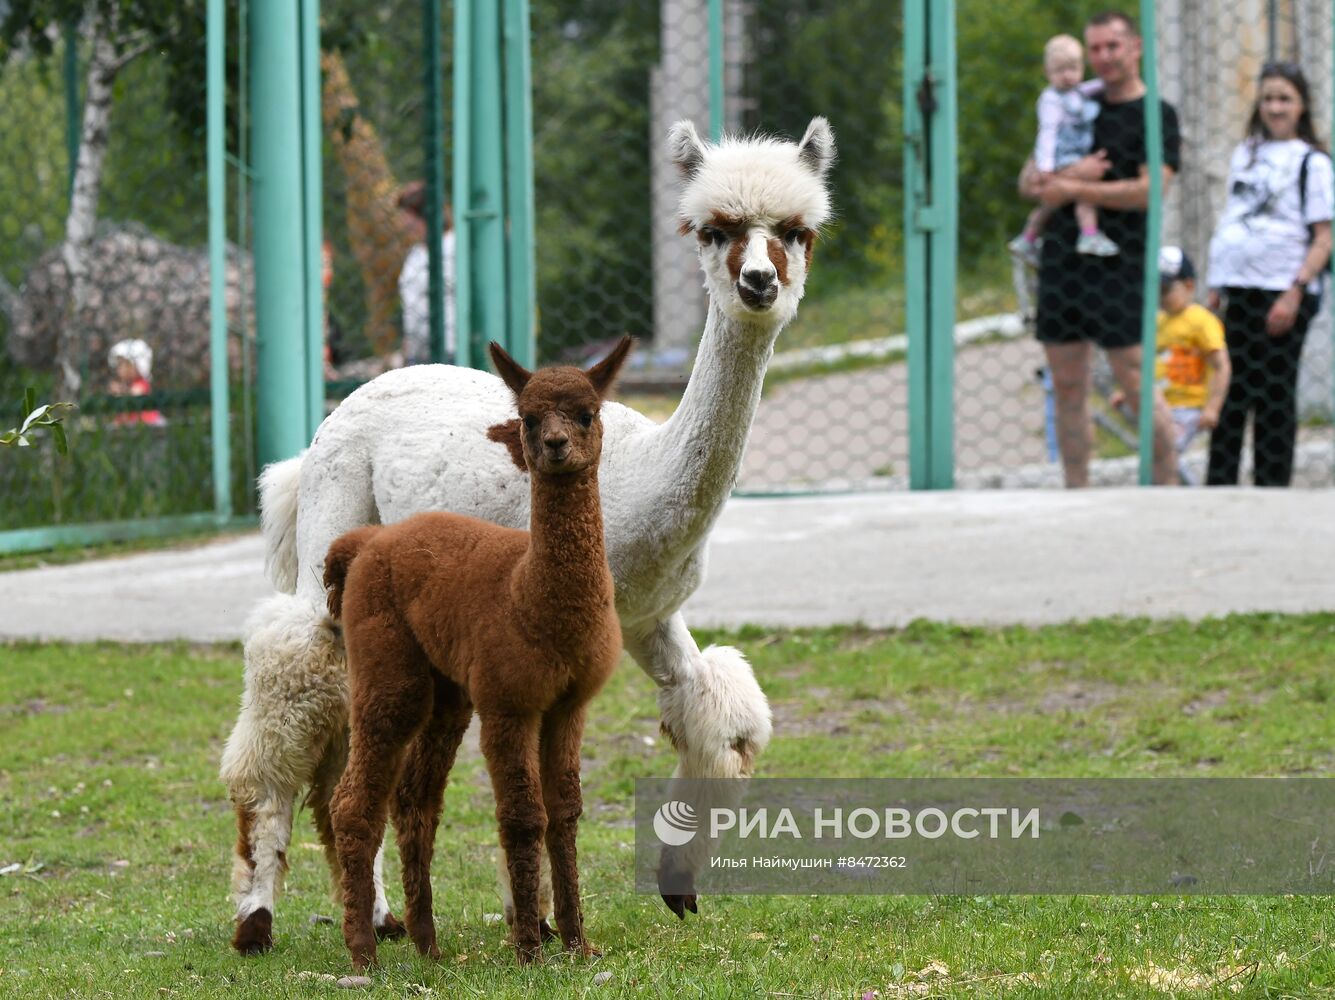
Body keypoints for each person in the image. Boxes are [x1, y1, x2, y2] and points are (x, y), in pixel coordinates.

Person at [1019, 10, 1181, 487]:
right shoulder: (1071, 104)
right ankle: (1077, 493)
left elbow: (1151, 191)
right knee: (1067, 386)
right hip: (1063, 260)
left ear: (1136, 47)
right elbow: (1030, 182)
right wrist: (1069, 177)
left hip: (1122, 262)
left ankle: (1169, 493)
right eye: (1095, 48)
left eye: (1113, 46)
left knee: (1136, 382)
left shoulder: (1155, 114)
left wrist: (1072, 188)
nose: (1104, 57)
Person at [1205, 62, 1333, 488]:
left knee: (1273, 392)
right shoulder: (1246, 152)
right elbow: (1232, 217)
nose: (1275, 108)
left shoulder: (1312, 162)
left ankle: (1272, 488)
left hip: (1282, 290)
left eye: (1284, 99)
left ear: (1302, 105)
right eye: (1268, 99)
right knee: (1232, 387)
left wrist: (1295, 291)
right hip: (1238, 288)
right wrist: (1217, 283)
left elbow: (1323, 236)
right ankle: (1220, 485)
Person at [1112, 247, 1230, 485]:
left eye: (1165, 290)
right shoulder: (1156, 322)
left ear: (1189, 285)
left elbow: (1221, 365)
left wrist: (1212, 407)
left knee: (1166, 450)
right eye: (1154, 291)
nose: (1160, 297)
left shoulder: (1201, 320)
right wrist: (1128, 392)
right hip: (1159, 405)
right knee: (1161, 452)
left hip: (1188, 407)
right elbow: (1149, 367)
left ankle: (1187, 492)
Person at [1009, 34, 1119, 268]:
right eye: (1060, 70)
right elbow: (1047, 133)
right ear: (1047, 72)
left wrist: (1110, 79)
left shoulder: (1078, 92)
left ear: (1082, 68)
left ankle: (1027, 238)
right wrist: (1045, 166)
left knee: (1051, 202)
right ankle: (1089, 234)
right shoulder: (1051, 99)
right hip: (1062, 157)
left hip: (1073, 156)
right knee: (1086, 193)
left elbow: (1094, 86)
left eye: (1073, 68)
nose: (1067, 75)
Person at [396, 180, 456, 366]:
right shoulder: (415, 253)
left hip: (450, 349)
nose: (404, 223)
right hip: (418, 353)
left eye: (409, 215)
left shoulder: (454, 246)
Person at [107, 338, 166, 427]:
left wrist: (121, 391)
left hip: (147, 423)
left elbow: (135, 393)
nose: (119, 368)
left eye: (124, 365)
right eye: (118, 365)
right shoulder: (126, 383)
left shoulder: (141, 382)